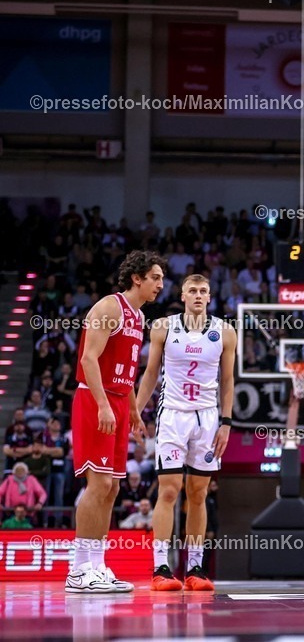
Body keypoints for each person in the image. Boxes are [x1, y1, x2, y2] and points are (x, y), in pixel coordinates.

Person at [65, 251, 164, 594]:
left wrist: (134, 411)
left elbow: (128, 370)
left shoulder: (138, 316)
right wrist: (104, 405)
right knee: (98, 484)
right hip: (96, 399)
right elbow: (88, 359)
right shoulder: (110, 307)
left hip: (119, 401)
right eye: (155, 278)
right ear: (137, 278)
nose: (160, 285)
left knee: (113, 487)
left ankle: (97, 566)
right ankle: (79, 569)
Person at [136, 274, 236, 591]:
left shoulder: (225, 331)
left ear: (209, 297)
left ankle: (195, 568)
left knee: (198, 493)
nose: (198, 295)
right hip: (173, 415)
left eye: (203, 291)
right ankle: (161, 568)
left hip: (207, 418)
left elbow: (228, 380)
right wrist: (135, 411)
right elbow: (150, 373)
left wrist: (226, 422)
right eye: (192, 290)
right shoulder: (163, 327)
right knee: (168, 491)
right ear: (182, 296)